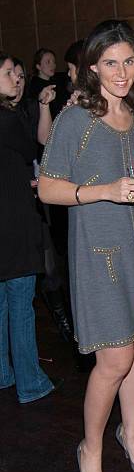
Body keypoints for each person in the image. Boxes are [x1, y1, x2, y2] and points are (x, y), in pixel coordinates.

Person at [38, 20, 134, 472]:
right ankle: (90, 447)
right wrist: (105, 192)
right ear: (92, 67)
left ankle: (131, 436)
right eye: (111, 63)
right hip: (99, 254)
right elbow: (49, 188)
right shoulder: (77, 120)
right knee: (113, 358)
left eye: (129, 61)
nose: (122, 72)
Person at [0, 52, 55, 404]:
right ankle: (30, 383)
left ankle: (4, 375)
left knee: (4, 303)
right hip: (14, 223)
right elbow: (33, 145)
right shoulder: (7, 119)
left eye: (19, 74)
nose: (17, 79)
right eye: (8, 73)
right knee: (21, 303)